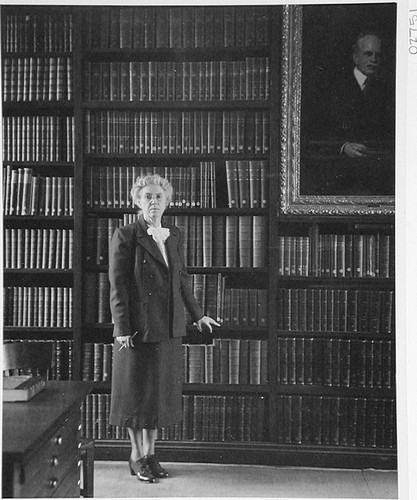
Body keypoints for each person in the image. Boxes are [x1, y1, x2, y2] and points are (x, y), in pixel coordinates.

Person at [108, 173, 220, 483]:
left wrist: (197, 315)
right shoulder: (126, 235)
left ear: (167, 201)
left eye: (159, 196)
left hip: (168, 326)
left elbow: (181, 279)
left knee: (157, 395)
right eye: (147, 197)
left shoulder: (174, 236)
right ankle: (136, 454)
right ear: (137, 201)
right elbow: (117, 287)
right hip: (136, 329)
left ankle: (151, 453)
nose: (153, 201)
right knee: (135, 393)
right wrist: (121, 328)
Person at [301, 30, 395, 196]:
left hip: (376, 175)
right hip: (339, 174)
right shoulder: (333, 89)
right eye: (368, 54)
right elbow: (315, 130)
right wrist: (343, 146)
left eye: (377, 55)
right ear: (356, 57)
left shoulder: (387, 91)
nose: (373, 59)